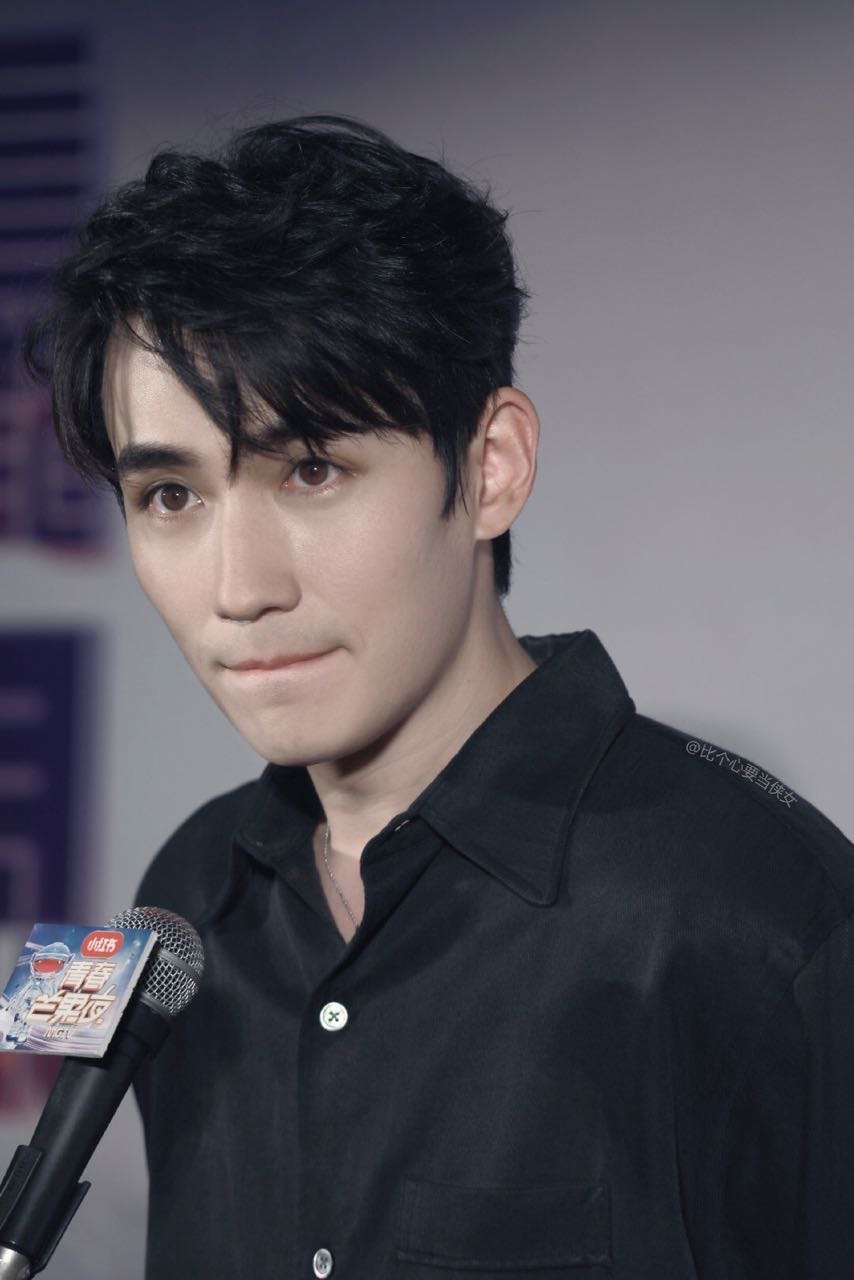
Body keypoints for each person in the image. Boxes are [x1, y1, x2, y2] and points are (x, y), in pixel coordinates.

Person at [26, 115, 854, 1279]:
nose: (238, 588)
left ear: (489, 464)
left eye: (311, 469)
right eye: (171, 495)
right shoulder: (190, 898)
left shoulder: (757, 913)